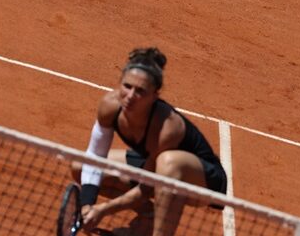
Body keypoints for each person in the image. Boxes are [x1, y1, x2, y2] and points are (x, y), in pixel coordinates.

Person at [73, 47, 227, 235]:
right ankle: (149, 216)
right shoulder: (109, 107)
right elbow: (95, 156)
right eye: (127, 86)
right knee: (79, 165)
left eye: (140, 91)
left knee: (168, 163)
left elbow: (146, 188)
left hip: (202, 182)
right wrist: (88, 204)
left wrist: (103, 210)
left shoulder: (167, 128)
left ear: (155, 95)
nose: (130, 97)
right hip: (154, 168)